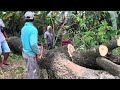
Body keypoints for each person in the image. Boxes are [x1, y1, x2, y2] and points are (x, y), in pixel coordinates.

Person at [21, 11, 41, 79]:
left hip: (24, 52)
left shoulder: (23, 28)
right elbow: (33, 44)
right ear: (33, 19)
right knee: (33, 73)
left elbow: (23, 40)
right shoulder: (33, 29)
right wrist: (38, 52)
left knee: (30, 70)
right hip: (30, 54)